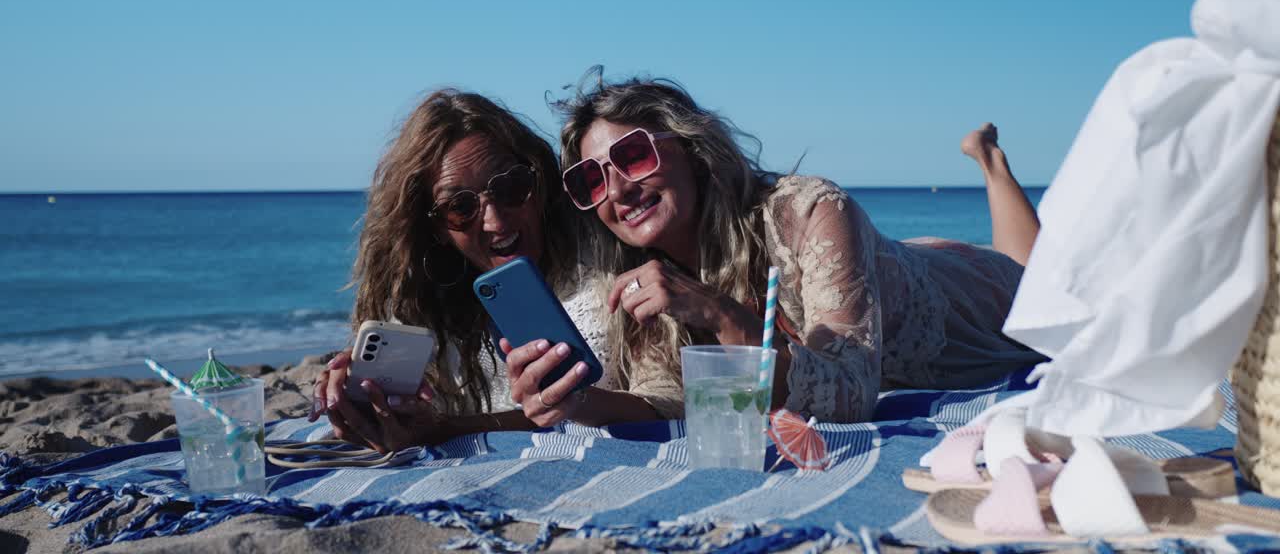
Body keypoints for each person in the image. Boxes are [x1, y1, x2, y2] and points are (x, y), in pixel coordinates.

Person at [539, 73, 1045, 423]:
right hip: (887, 264)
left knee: (1037, 277)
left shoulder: (808, 211)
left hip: (973, 294)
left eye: (632, 155)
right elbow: (669, 399)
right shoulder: (641, 277)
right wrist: (574, 402)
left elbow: (851, 393)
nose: (618, 190)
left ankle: (990, 160)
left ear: (692, 150)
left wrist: (720, 315)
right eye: (590, 180)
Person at [310, 89, 623, 452]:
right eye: (460, 207)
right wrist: (361, 395)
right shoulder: (427, 304)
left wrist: (446, 431)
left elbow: (646, 402)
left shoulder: (604, 264)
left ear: (538, 180)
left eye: (510, 187)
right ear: (435, 228)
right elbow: (413, 416)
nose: (495, 221)